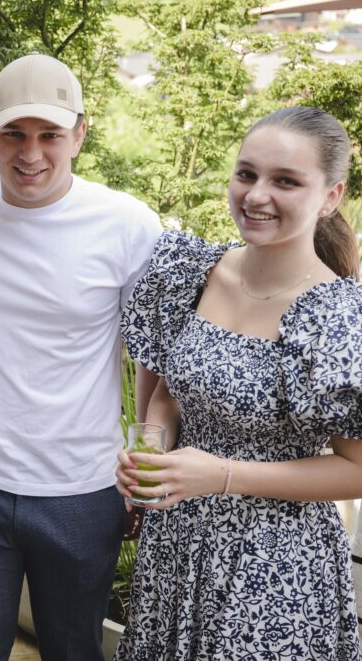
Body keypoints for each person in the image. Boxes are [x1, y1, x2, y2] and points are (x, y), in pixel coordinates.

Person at [0, 54, 161, 660]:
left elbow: (152, 355)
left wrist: (147, 464)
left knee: (73, 650)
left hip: (82, 488)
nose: (31, 153)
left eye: (50, 134)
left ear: (79, 133)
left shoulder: (127, 225)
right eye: (13, 134)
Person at [115, 106, 362, 659]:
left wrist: (223, 475)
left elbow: (358, 468)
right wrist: (151, 443)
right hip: (174, 544)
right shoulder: (190, 271)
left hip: (274, 565)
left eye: (286, 181)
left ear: (331, 196)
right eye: (246, 173)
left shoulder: (340, 318)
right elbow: (169, 393)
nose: (255, 195)